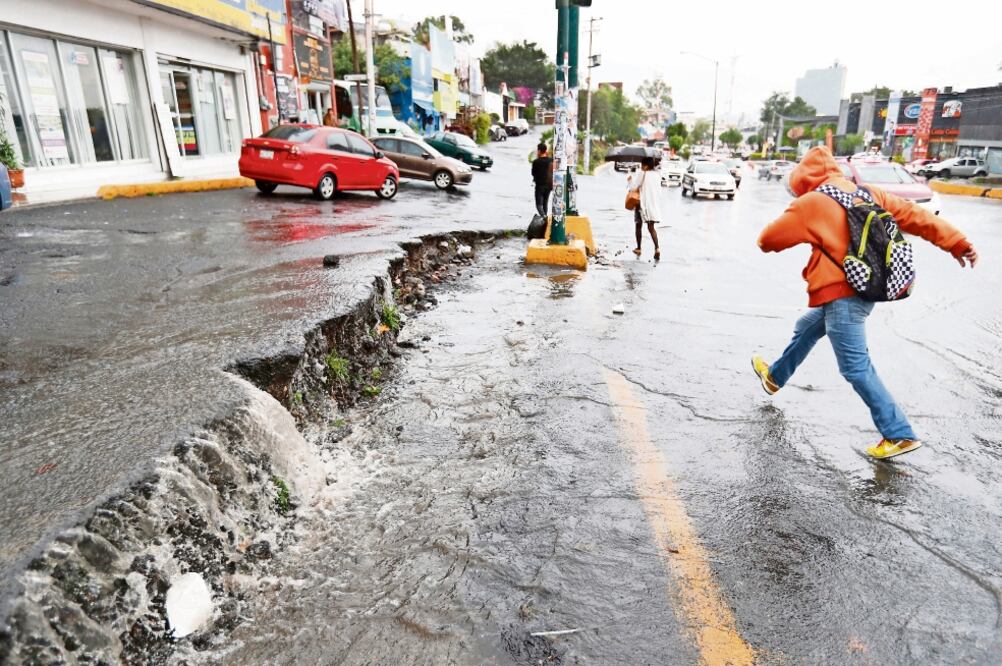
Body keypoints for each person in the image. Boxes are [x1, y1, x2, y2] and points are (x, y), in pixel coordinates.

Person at [752, 146, 978, 460]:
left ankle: (899, 434)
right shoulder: (867, 192)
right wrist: (957, 243)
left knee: (855, 367)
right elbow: (917, 217)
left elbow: (767, 240)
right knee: (807, 327)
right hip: (866, 286)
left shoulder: (810, 203)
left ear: (804, 178)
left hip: (842, 297)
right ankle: (775, 377)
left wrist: (806, 223)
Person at [627, 157, 662, 260]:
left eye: (642, 165)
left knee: (638, 225)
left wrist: (629, 180)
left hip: (642, 203)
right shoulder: (657, 175)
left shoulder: (643, 173)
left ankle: (638, 248)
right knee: (651, 228)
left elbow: (633, 187)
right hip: (653, 204)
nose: (641, 167)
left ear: (646, 166)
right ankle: (657, 248)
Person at [531, 142, 553, 217]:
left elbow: (533, 173)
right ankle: (545, 218)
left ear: (539, 151)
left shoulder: (536, 162)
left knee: (539, 204)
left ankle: (544, 217)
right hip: (549, 185)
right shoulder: (551, 160)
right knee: (545, 203)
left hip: (540, 185)